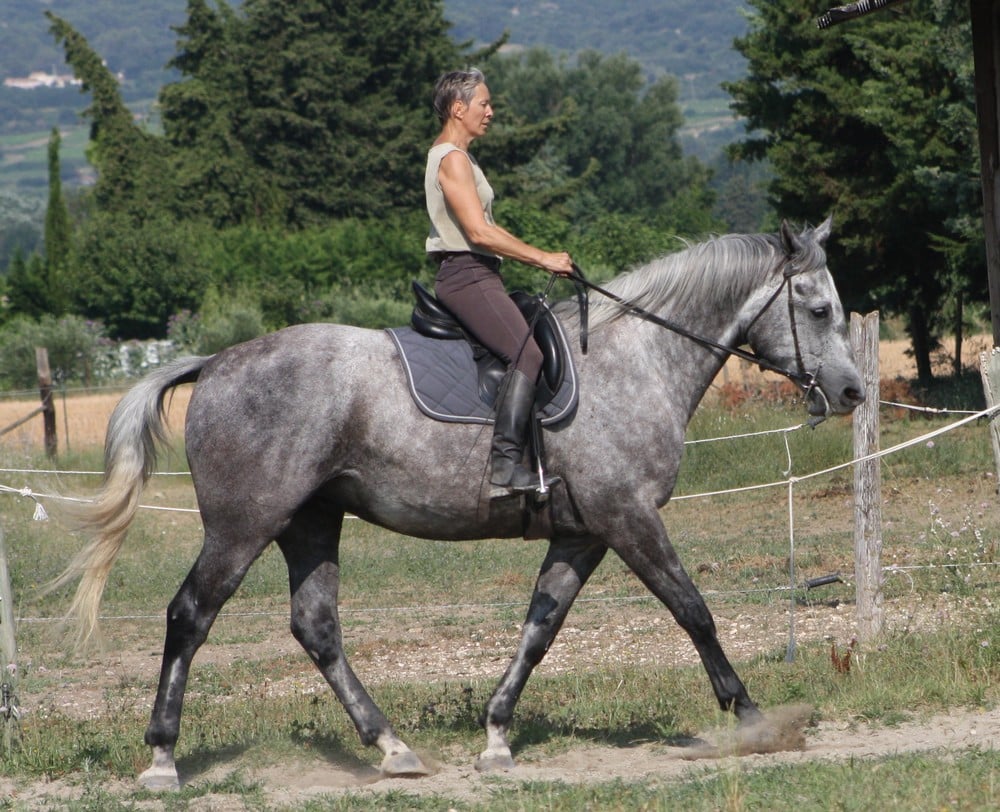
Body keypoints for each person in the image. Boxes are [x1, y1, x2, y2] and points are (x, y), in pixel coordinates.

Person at [426, 68, 574, 494]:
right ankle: (506, 465)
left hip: (479, 272)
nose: (490, 112)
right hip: (467, 275)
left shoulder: (462, 157)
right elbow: (479, 233)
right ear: (458, 108)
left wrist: (537, 255)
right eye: (484, 104)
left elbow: (490, 228)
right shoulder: (452, 159)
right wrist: (542, 258)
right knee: (527, 353)